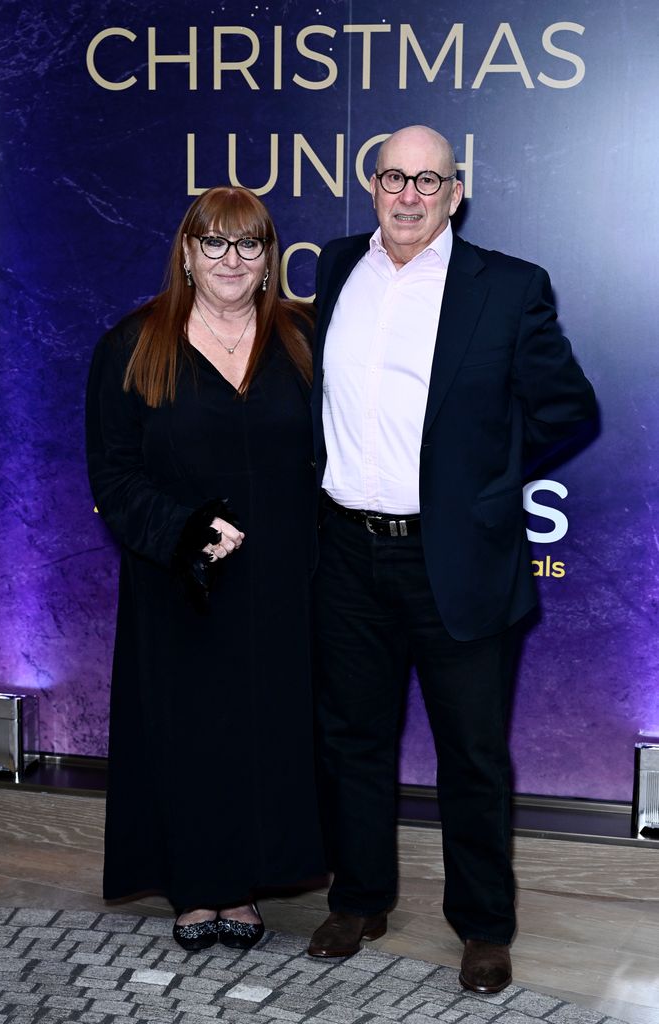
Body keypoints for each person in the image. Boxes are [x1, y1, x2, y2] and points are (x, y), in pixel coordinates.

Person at [307, 125, 597, 992]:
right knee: (351, 740)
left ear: (456, 192)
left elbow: (565, 408)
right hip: (345, 551)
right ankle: (359, 900)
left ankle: (483, 926)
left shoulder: (508, 287)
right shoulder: (334, 267)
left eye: (427, 181)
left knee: (471, 754)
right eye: (394, 176)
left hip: (457, 561)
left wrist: (483, 486)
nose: (408, 196)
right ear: (371, 185)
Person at [86, 186, 323, 952]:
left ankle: (245, 888)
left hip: (285, 584)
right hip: (178, 583)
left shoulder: (303, 339)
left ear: (268, 261)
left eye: (248, 245)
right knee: (188, 735)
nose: (230, 260)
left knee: (267, 732)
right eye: (214, 243)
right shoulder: (132, 344)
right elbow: (113, 476)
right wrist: (184, 531)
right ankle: (195, 891)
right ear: (186, 253)